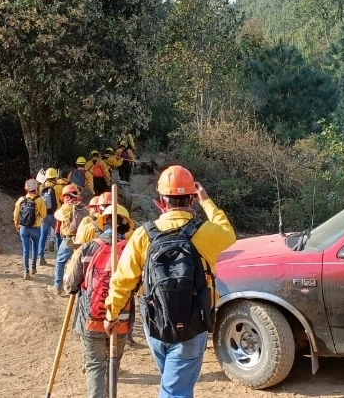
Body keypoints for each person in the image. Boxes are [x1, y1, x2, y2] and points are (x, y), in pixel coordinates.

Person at [103, 166, 236, 398]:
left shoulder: (143, 235)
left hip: (155, 323)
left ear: (160, 202)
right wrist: (206, 201)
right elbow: (228, 233)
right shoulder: (206, 233)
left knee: (173, 383)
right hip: (193, 324)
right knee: (176, 390)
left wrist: (111, 314)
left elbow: (122, 280)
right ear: (192, 199)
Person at [66, 204, 135, 398]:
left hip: (91, 319)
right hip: (121, 320)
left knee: (95, 366)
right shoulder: (131, 251)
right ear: (126, 225)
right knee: (112, 364)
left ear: (103, 223)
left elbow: (71, 283)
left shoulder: (88, 247)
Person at [48, 184, 84, 296]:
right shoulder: (82, 206)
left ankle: (57, 286)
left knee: (60, 262)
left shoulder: (65, 208)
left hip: (68, 240)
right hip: (81, 240)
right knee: (79, 264)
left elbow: (56, 215)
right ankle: (78, 288)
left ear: (67, 196)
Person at [14, 178, 47, 280]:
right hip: (35, 228)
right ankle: (33, 268)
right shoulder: (40, 200)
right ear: (36, 189)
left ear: (26, 189)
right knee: (35, 248)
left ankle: (26, 272)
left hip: (23, 228)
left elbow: (16, 215)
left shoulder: (20, 200)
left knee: (25, 250)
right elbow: (44, 214)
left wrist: (16, 224)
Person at [37, 168, 64, 266]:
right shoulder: (58, 187)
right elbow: (63, 199)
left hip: (44, 215)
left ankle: (41, 257)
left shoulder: (41, 186)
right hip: (56, 215)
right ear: (55, 176)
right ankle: (60, 257)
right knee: (58, 235)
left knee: (43, 236)